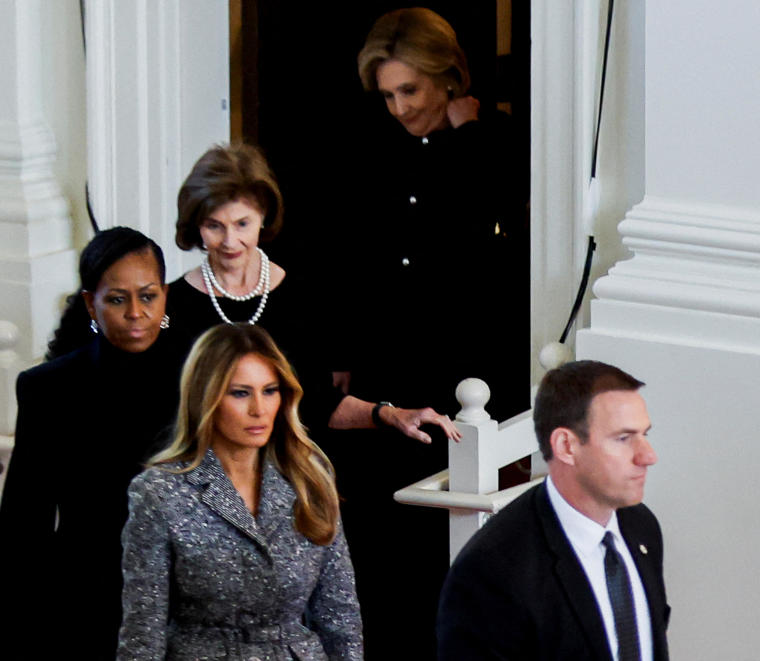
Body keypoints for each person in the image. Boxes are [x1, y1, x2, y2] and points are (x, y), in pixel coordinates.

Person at [324, 9, 532, 656]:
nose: (398, 107)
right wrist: (341, 352)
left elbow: (500, 226)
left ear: (447, 78)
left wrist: (468, 136)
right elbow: (351, 256)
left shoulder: (492, 141)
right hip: (389, 360)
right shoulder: (373, 148)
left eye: (409, 91)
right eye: (388, 94)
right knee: (387, 534)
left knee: (458, 538)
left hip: (467, 360)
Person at [165, 142, 460, 443]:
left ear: (263, 215)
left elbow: (321, 404)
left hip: (289, 472)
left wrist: (389, 414)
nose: (230, 241)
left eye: (242, 224)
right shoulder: (171, 306)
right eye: (214, 226)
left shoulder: (300, 295)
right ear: (197, 224)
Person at [116, 323, 364, 660]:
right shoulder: (159, 492)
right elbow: (143, 632)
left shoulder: (310, 480)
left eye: (270, 390)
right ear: (207, 397)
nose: (259, 410)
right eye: (240, 393)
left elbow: (341, 618)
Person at [0, 227, 183, 660]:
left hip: (185, 603)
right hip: (85, 607)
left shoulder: (199, 378)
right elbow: (24, 532)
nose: (136, 312)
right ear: (90, 303)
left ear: (165, 296)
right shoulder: (49, 389)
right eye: (117, 299)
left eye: (148, 296)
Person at [437, 360, 671, 661]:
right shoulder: (491, 573)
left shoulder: (641, 526)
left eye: (645, 435)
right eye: (623, 438)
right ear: (566, 446)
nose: (648, 456)